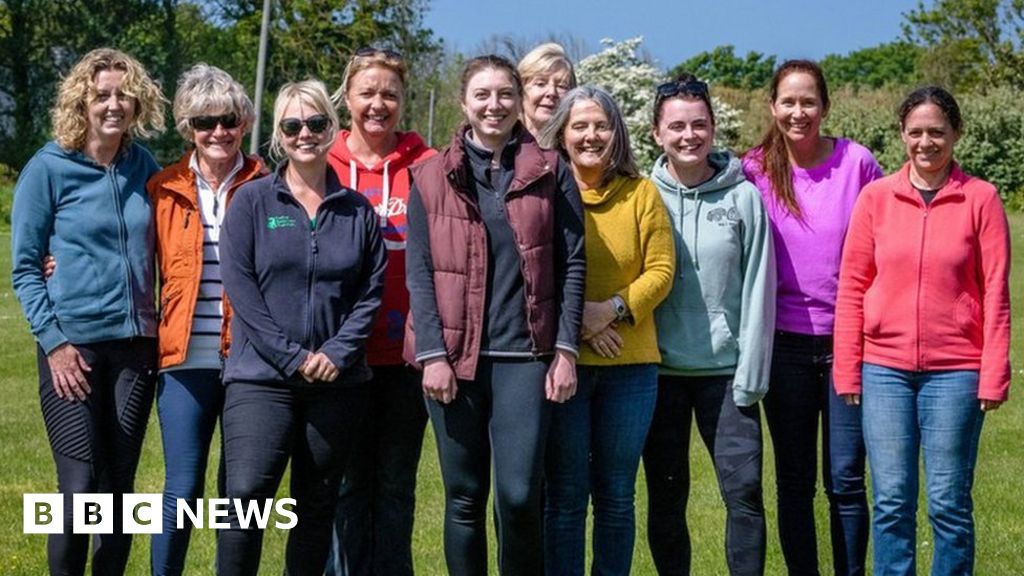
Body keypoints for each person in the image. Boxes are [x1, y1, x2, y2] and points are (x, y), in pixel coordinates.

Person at [404, 54, 586, 576]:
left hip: (525, 358)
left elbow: (573, 263)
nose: (494, 104)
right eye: (482, 94)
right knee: (464, 498)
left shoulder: (553, 171)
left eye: (505, 94)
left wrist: (567, 350)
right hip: (453, 362)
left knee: (520, 495)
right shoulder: (431, 175)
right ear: (465, 103)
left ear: (519, 100)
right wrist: (433, 355)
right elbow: (420, 272)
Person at [834, 86, 1011, 576]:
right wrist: (848, 369)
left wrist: (993, 372)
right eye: (916, 132)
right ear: (902, 135)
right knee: (891, 500)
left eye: (937, 132)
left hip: (956, 373)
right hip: (883, 371)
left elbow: (996, 290)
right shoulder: (875, 199)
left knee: (948, 501)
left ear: (955, 134)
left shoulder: (982, 198)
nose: (926, 142)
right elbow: (852, 286)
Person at [217, 79, 387, 576]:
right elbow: (241, 289)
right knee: (246, 498)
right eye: (293, 125)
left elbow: (369, 292)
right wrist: (292, 356)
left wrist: (335, 354)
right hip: (260, 379)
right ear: (278, 135)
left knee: (315, 505)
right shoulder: (251, 204)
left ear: (332, 128)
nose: (305, 134)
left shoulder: (357, 211)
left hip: (336, 384)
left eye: (315, 123)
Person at [10, 47, 165, 575]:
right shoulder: (48, 168)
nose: (114, 104)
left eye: (124, 94)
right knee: (78, 493)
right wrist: (54, 342)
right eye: (102, 94)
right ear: (82, 100)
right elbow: (25, 267)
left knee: (118, 494)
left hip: (137, 350)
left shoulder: (146, 166)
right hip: (71, 350)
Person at [742, 59, 883, 576]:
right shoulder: (753, 169)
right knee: (795, 482)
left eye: (809, 102)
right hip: (784, 348)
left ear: (825, 105)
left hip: (851, 345)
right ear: (773, 106)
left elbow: (885, 238)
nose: (798, 112)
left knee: (846, 479)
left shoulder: (858, 163)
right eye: (788, 102)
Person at [538, 85, 674, 575]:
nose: (591, 135)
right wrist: (581, 324)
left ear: (617, 132)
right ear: (562, 134)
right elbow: (534, 270)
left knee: (617, 495)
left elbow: (660, 269)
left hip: (630, 370)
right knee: (566, 494)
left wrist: (612, 309)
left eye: (601, 125)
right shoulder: (545, 193)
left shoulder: (642, 193)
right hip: (564, 364)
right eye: (580, 126)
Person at [643, 74, 775, 576]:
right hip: (659, 376)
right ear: (657, 133)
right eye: (676, 126)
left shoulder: (744, 199)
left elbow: (759, 285)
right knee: (667, 496)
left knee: (743, 495)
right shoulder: (642, 194)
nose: (688, 136)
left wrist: (752, 373)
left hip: (727, 377)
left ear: (714, 128)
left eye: (699, 124)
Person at [146, 63, 263, 576]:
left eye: (228, 119)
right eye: (203, 121)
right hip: (182, 363)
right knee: (183, 487)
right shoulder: (162, 187)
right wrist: (58, 261)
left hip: (250, 365)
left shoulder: (268, 184)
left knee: (239, 495)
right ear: (187, 128)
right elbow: (117, 251)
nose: (218, 132)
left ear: (245, 121)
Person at [324, 47, 436, 576]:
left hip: (407, 356)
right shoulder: (318, 161)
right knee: (344, 483)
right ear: (346, 97)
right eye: (367, 92)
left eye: (389, 93)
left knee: (395, 484)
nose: (378, 103)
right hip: (338, 355)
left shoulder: (428, 166)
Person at [517, 42, 576, 138]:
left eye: (561, 86)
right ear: (520, 90)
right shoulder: (498, 144)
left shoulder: (575, 148)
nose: (552, 92)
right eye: (541, 84)